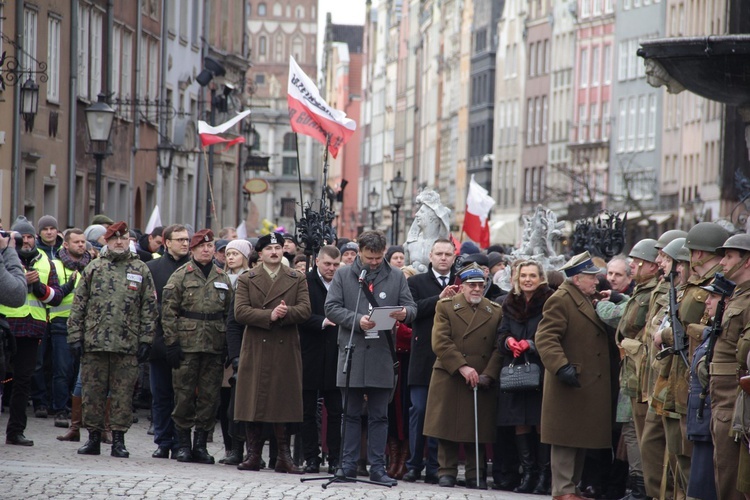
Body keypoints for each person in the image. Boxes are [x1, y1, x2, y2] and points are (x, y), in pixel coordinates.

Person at [324, 230, 417, 486]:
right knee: (351, 413)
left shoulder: (397, 276)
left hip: (382, 354)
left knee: (380, 415)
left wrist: (403, 313)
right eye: (369, 257)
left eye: (378, 257)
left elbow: (412, 307)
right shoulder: (344, 274)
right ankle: (347, 466)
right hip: (352, 352)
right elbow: (331, 307)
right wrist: (356, 320)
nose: (374, 262)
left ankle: (378, 468)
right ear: (360, 251)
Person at [67, 221, 157, 457]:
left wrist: (147, 339)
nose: (119, 242)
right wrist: (75, 336)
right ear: (106, 241)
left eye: (123, 238)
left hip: (127, 344)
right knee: (93, 392)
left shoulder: (140, 269)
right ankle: (93, 438)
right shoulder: (94, 268)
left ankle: (118, 439)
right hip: (94, 342)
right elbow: (79, 305)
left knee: (122, 395)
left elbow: (149, 307)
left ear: (129, 241)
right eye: (114, 238)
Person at [535, 251, 612, 500]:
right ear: (577, 278)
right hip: (569, 380)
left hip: (583, 381)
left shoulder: (583, 297)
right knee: (565, 438)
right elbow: (545, 337)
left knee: (579, 436)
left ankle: (572, 487)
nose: (597, 281)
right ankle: (563, 489)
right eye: (592, 277)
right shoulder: (562, 299)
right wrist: (560, 366)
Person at [233, 232, 311, 474]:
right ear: (260, 253)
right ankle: (253, 454)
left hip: (284, 346)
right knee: (252, 401)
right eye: (269, 249)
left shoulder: (296, 278)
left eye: (278, 248)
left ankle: (283, 456)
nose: (274, 252)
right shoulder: (248, 278)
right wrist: (269, 315)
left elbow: (306, 310)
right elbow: (240, 312)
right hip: (256, 345)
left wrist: (286, 313)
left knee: (282, 401)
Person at [423, 263, 502, 489]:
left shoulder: (495, 310)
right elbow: (440, 341)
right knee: (447, 424)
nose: (476, 289)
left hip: (482, 375)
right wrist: (462, 366)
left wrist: (489, 373)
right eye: (471, 285)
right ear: (462, 286)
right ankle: (445, 471)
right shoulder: (446, 307)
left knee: (476, 426)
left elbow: (498, 347)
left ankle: (474, 473)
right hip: (451, 372)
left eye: (480, 285)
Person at [162, 229, 233, 464]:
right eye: (201, 246)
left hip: (213, 345)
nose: (206, 249)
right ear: (192, 250)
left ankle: (200, 445)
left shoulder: (222, 278)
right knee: (183, 396)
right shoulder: (181, 276)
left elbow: (228, 315)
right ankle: (182, 444)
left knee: (209, 398)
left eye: (210, 246)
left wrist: (226, 347)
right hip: (186, 345)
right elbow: (168, 313)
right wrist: (171, 344)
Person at [1, 216, 66, 447]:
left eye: (29, 236)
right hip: (6, 325)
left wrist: (38, 287)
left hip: (32, 328)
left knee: (23, 382)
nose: (25, 241)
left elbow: (56, 297)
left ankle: (16, 431)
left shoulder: (46, 263)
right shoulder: (5, 258)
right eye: (21, 237)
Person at [496, 259, 555, 494]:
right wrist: (509, 341)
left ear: (541, 278)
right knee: (519, 422)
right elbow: (501, 333)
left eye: (532, 275)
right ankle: (528, 473)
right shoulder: (510, 302)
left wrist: (531, 344)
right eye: (523, 276)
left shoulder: (550, 301)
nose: (527, 280)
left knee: (539, 422)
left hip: (540, 370)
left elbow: (553, 333)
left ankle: (543, 475)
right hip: (515, 370)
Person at [403, 238, 457, 485]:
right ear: (431, 256)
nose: (444, 258)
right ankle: (414, 464)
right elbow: (410, 313)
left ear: (454, 257)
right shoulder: (416, 282)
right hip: (423, 358)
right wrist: (439, 298)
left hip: (450, 359)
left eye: (448, 254)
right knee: (419, 410)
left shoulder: (463, 281)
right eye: (439, 254)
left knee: (441, 415)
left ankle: (436, 466)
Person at [710, 232, 750, 499]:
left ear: (746, 261)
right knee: (723, 472)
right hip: (721, 395)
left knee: (733, 477)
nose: (723, 262)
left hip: (735, 394)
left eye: (730, 256)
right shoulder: (738, 296)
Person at [145, 224, 191, 459]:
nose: (185, 243)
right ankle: (163, 441)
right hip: (160, 341)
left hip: (190, 342)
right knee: (162, 395)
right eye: (179, 239)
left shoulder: (195, 269)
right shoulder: (152, 269)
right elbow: (146, 306)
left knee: (184, 396)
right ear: (167, 242)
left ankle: (183, 442)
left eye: (187, 239)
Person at [298, 245, 343, 474]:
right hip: (310, 353)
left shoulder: (343, 282)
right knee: (307, 410)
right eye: (327, 264)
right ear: (317, 261)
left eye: (336, 265)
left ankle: (335, 458)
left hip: (336, 355)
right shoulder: (305, 282)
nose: (332, 269)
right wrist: (322, 322)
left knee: (335, 410)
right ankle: (311, 458)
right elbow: (299, 314)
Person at [47, 229, 91, 430]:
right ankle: (61, 410)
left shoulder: (91, 266)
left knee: (79, 373)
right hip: (61, 322)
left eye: (83, 242)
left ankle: (77, 412)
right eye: (76, 242)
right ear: (66, 244)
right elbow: (54, 293)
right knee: (62, 370)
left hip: (85, 325)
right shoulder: (55, 265)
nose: (81, 245)